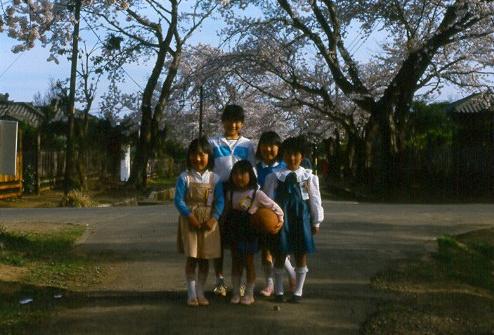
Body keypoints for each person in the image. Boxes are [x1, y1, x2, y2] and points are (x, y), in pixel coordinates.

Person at [264, 136, 324, 303]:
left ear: (302, 156)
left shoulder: (308, 177)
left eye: (296, 154)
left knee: (300, 253)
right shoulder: (274, 177)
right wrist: (269, 220)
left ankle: (298, 291)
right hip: (281, 219)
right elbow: (268, 199)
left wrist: (316, 221)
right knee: (280, 253)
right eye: (288, 154)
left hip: (301, 218)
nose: (292, 158)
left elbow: (315, 199)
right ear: (283, 155)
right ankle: (279, 291)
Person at [208, 104, 256, 296]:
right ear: (223, 121)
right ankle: (220, 280)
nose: (233, 125)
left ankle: (241, 282)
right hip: (220, 193)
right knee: (218, 238)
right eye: (229, 120)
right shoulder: (214, 143)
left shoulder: (247, 145)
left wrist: (253, 194)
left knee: (240, 240)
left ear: (242, 123)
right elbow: (209, 170)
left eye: (237, 121)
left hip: (242, 194)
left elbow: (252, 170)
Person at [174, 137, 225, 307]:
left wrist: (214, 218)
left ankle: (201, 291)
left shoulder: (214, 178)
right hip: (190, 221)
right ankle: (191, 292)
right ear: (189, 156)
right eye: (194, 154)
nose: (198, 158)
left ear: (209, 156)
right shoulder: (185, 177)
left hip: (209, 222)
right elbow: (178, 200)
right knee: (192, 257)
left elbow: (220, 201)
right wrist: (189, 216)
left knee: (205, 258)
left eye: (202, 154)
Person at [224, 160, 283, 305]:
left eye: (243, 173)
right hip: (234, 230)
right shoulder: (230, 193)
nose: (239, 177)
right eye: (236, 174)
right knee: (236, 262)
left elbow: (274, 206)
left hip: (249, 232)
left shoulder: (257, 193)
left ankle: (249, 293)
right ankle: (236, 292)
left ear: (250, 175)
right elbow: (226, 212)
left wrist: (280, 219)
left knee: (248, 262)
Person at [255, 131, 296, 297]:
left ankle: (292, 275)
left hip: (282, 215)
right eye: (264, 145)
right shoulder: (256, 169)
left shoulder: (284, 168)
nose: (268, 149)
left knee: (281, 250)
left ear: (279, 148)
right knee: (266, 250)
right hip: (263, 216)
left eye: (273, 145)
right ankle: (269, 284)